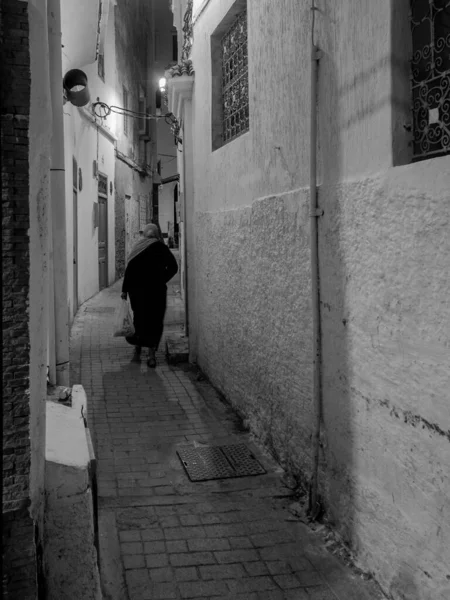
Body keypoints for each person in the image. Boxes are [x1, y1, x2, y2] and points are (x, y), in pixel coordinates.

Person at [121, 223, 178, 367]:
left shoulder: (137, 248)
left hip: (137, 292)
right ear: (157, 234)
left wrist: (124, 290)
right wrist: (161, 279)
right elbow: (173, 267)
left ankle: (138, 348)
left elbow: (129, 271)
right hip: (156, 292)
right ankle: (151, 355)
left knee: (139, 319)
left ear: (144, 234)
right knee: (155, 321)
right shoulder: (161, 248)